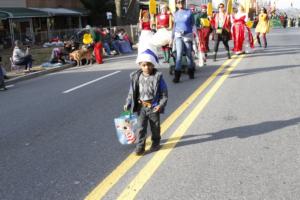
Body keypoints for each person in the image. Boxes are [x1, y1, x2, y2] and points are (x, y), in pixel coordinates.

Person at [124, 49, 168, 156]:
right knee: (140, 128)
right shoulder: (136, 77)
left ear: (153, 64)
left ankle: (156, 143)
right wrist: (128, 103)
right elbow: (131, 92)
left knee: (155, 127)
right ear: (140, 65)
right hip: (141, 107)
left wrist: (160, 105)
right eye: (144, 65)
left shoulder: (157, 77)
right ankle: (140, 147)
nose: (146, 67)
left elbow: (164, 94)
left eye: (149, 65)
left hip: (153, 107)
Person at [172, 0, 195, 83]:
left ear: (184, 3)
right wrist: (172, 38)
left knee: (189, 54)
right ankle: (177, 76)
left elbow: (192, 24)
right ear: (176, 4)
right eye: (178, 2)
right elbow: (174, 27)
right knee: (179, 55)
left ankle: (191, 71)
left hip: (187, 36)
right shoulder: (175, 14)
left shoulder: (189, 12)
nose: (180, 3)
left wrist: (194, 35)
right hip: (178, 36)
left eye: (181, 2)